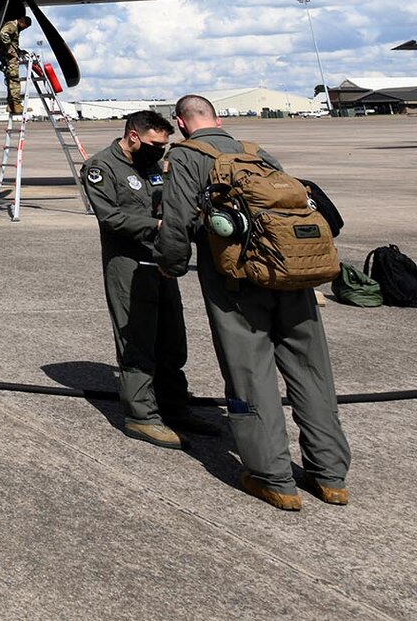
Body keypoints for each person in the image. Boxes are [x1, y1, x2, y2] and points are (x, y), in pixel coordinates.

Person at [155, 94, 352, 509]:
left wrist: (170, 265)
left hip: (236, 282)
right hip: (293, 275)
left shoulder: (186, 158)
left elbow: (175, 222)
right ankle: (330, 476)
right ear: (219, 118)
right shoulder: (257, 153)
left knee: (251, 374)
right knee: (313, 373)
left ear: (181, 123)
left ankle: (273, 479)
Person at [81, 109, 219, 447]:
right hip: (127, 262)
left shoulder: (155, 165)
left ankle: (174, 406)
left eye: (164, 144)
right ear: (133, 137)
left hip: (161, 258)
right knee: (137, 338)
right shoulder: (101, 168)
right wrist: (160, 226)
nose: (160, 150)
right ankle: (141, 416)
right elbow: (110, 217)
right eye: (155, 143)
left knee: (172, 337)